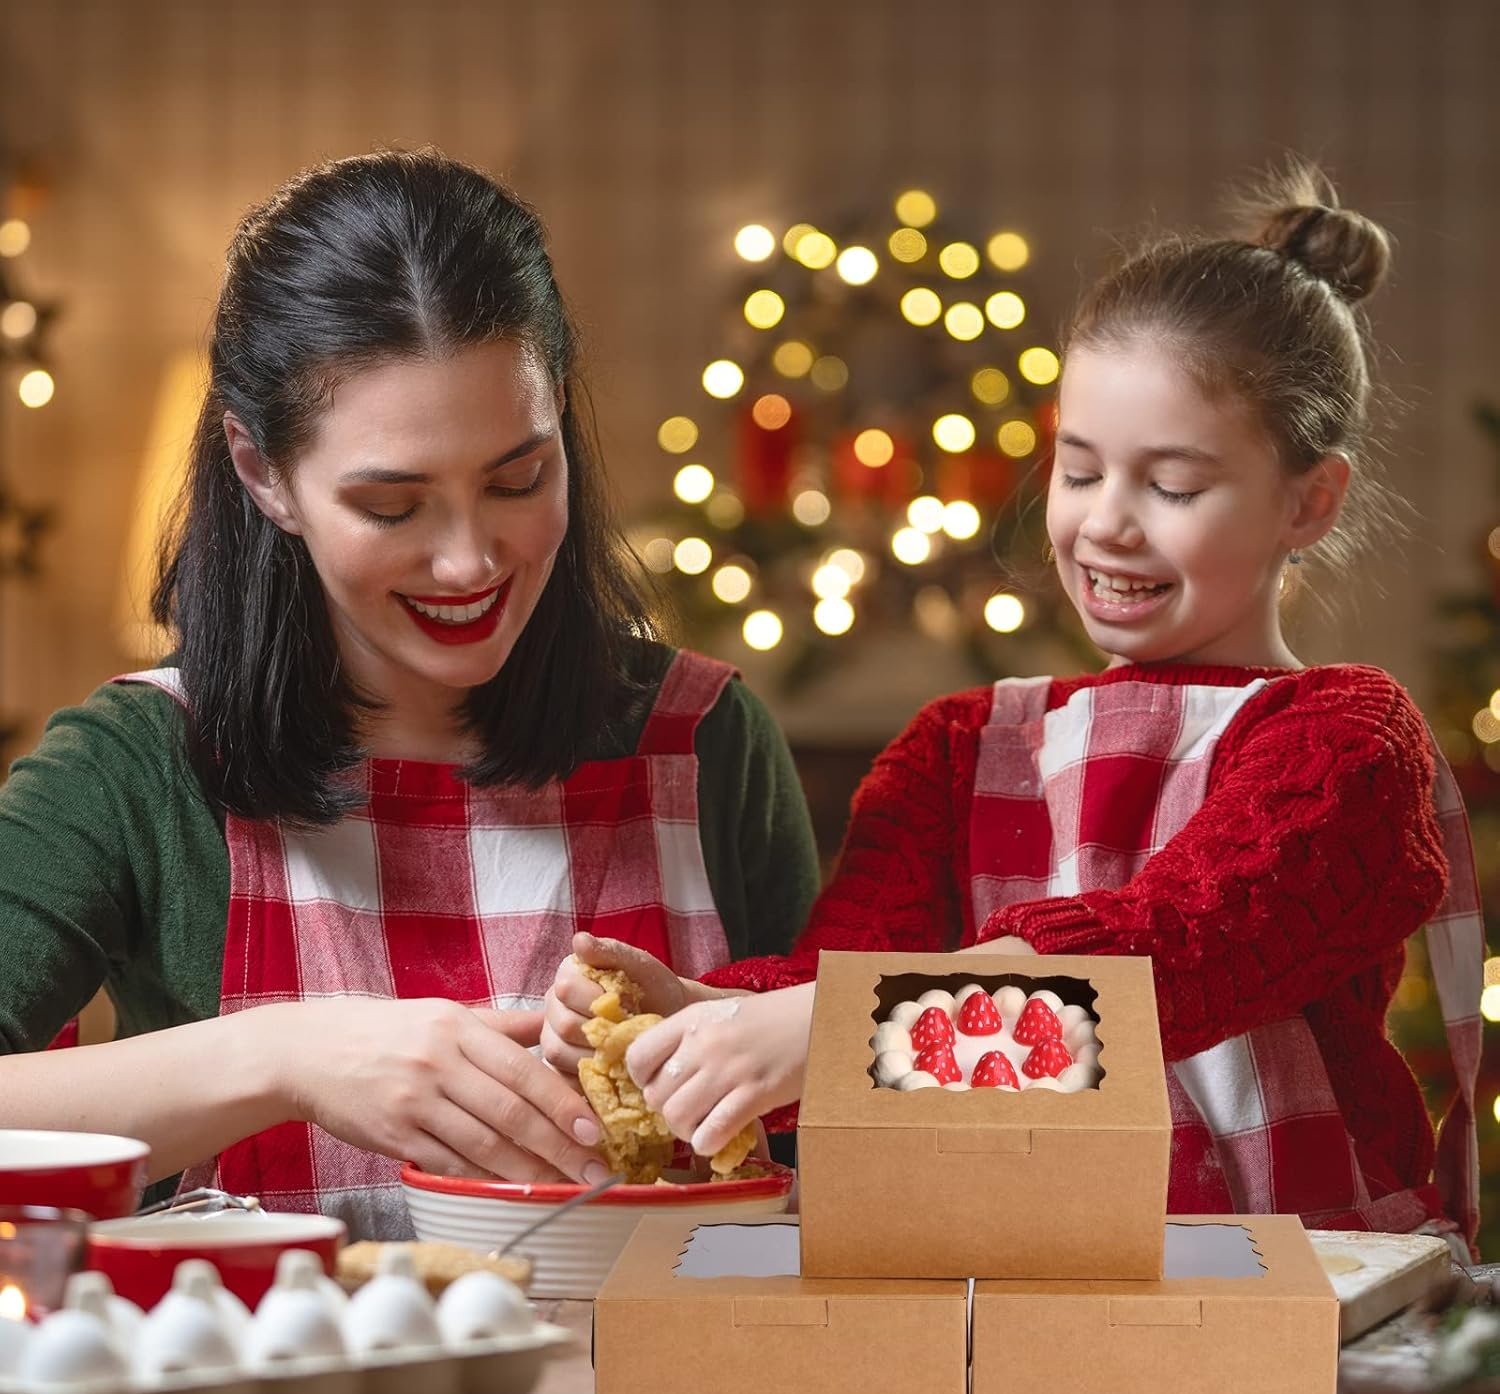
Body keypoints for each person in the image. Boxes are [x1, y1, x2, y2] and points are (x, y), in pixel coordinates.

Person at [545, 162, 1485, 1252]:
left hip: (1293, 1289)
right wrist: (707, 1014)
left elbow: (1158, 968)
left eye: (1172, 487)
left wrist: (825, 1029)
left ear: (1311, 501)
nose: (1106, 526)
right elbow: (836, 982)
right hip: (1023, 1272)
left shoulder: (1347, 741)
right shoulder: (958, 748)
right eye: (1079, 472)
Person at [0, 150, 819, 1238]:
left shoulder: (708, 740)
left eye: (519, 478)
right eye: (393, 507)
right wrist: (284, 1057)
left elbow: (844, 1145)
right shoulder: (140, 763)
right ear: (261, 472)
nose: (469, 560)